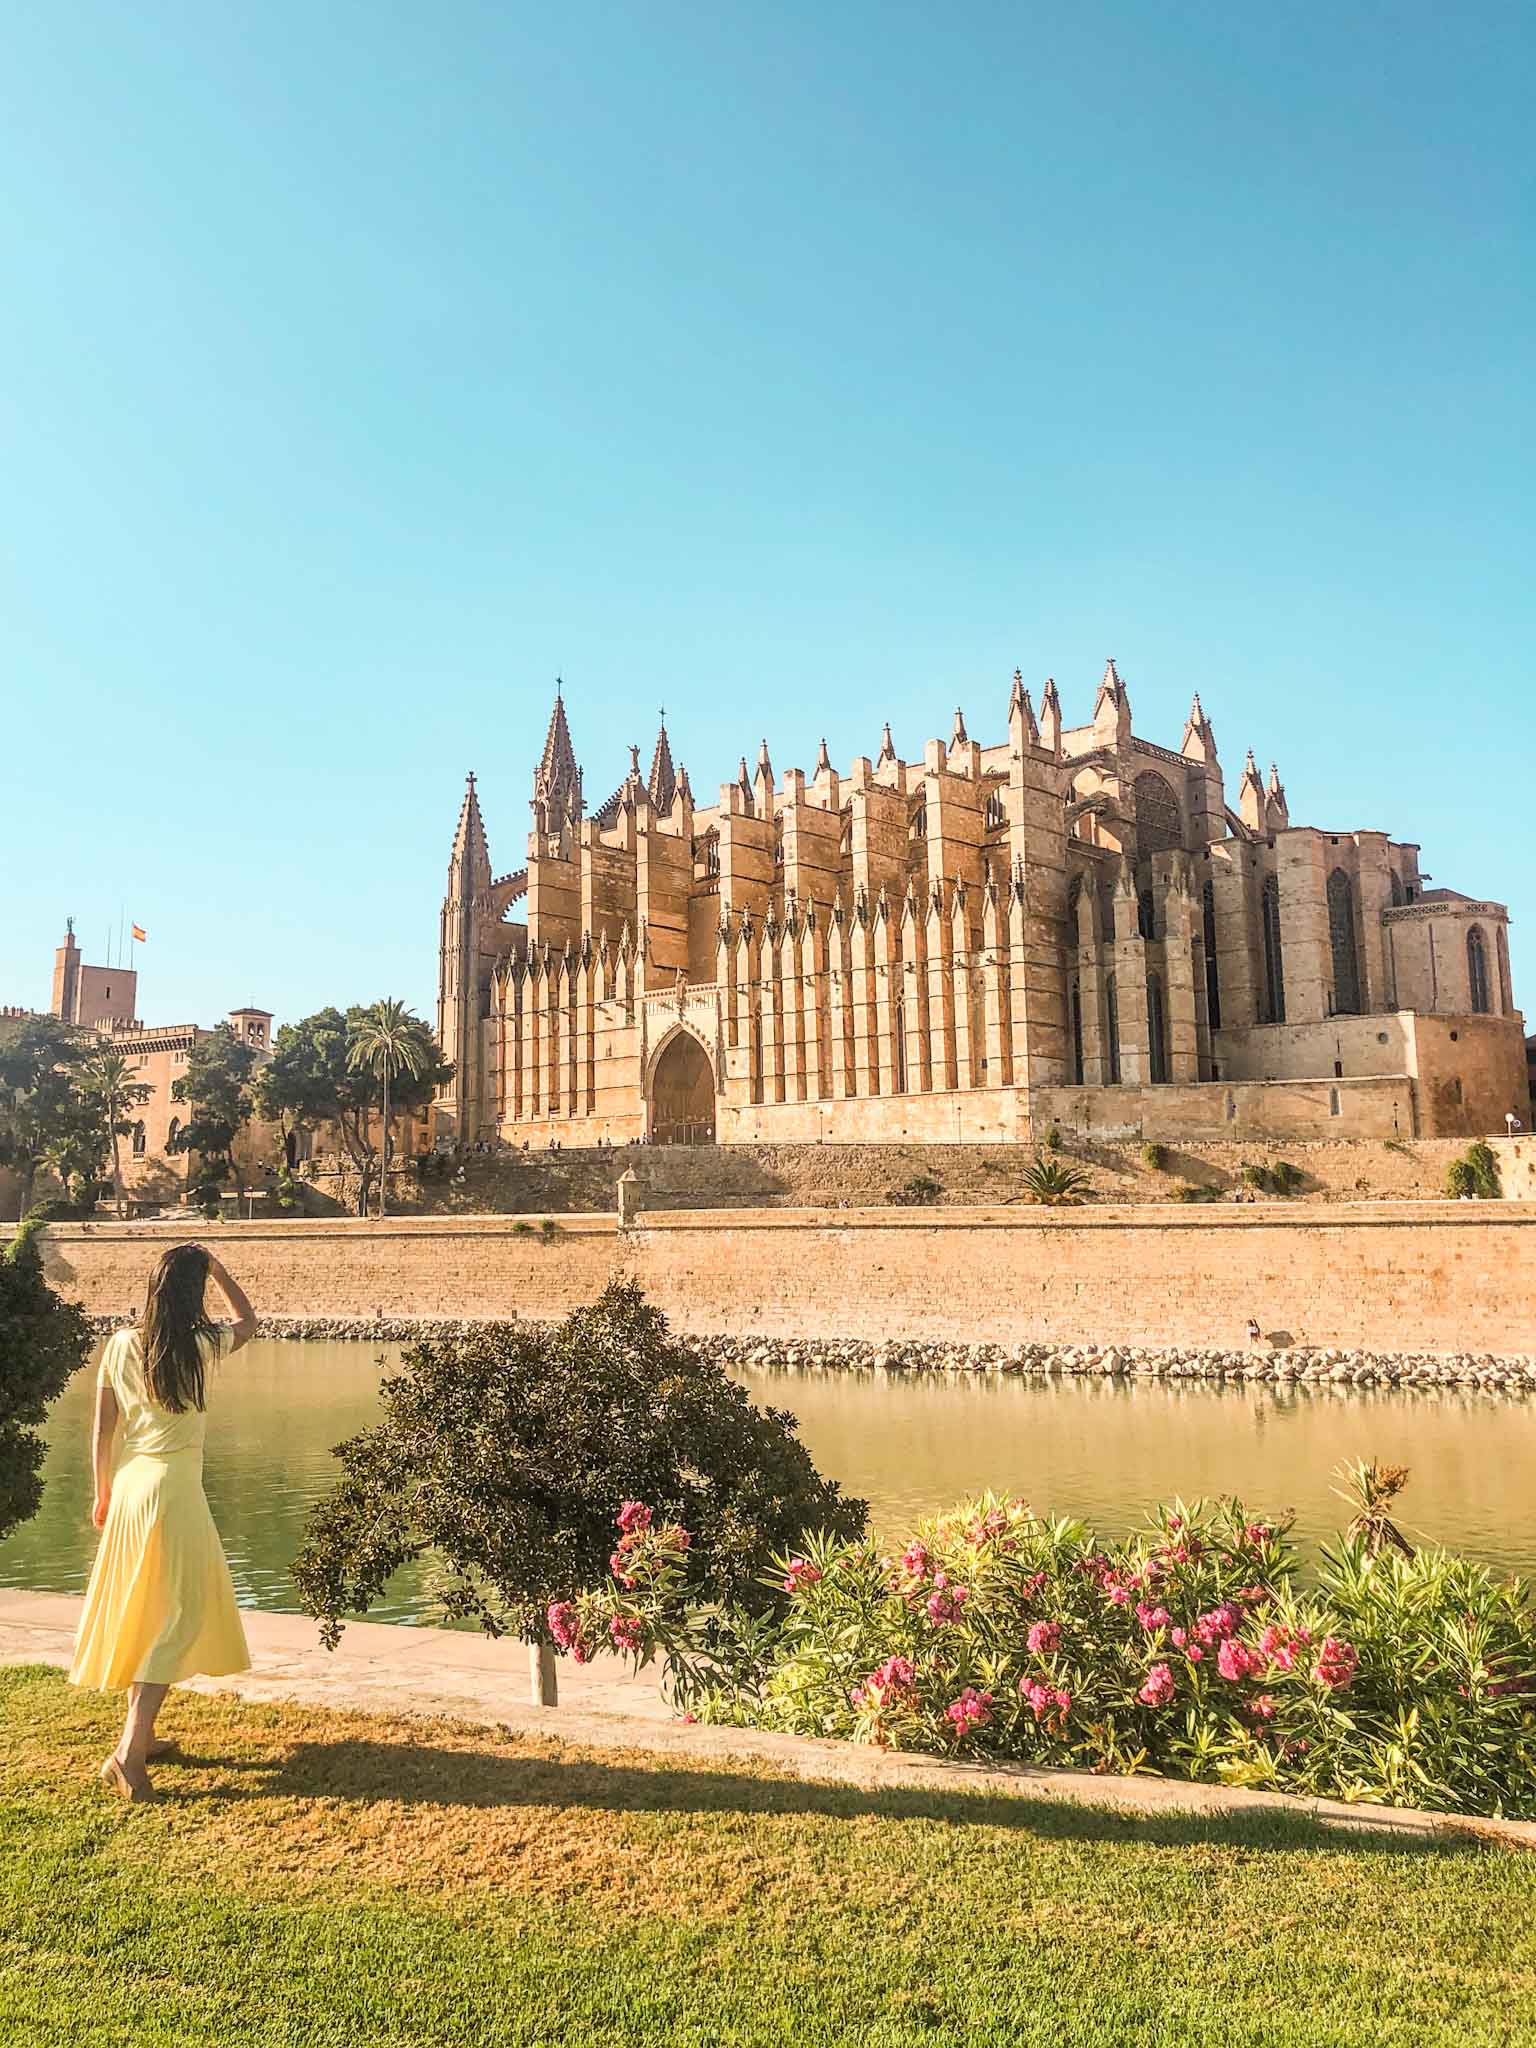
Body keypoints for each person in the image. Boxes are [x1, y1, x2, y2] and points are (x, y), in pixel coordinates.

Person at [69, 1244, 259, 1801]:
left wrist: (101, 1492)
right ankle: (129, 1752)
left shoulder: (121, 1344)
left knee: (147, 1608)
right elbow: (251, 1322)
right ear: (192, 1293)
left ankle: (142, 1737)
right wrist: (221, 1270)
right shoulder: (201, 1344)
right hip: (174, 1490)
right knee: (181, 1613)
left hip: (131, 1487)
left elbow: (102, 1430)